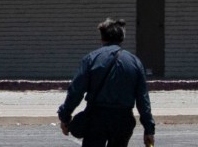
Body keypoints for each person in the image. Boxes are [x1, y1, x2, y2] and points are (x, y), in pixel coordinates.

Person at [57, 18, 154, 146]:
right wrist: (149, 129)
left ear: (102, 38)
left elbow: (76, 90)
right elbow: (143, 98)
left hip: (96, 118)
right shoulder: (135, 62)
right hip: (123, 119)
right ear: (122, 38)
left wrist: (65, 116)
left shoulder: (91, 59)